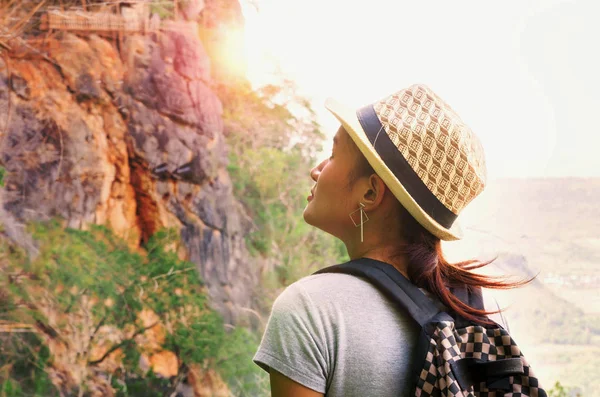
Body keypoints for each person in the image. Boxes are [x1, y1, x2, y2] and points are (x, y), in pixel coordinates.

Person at [253, 84, 519, 397]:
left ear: (370, 192)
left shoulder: (309, 309)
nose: (316, 170)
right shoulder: (479, 307)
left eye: (334, 154)